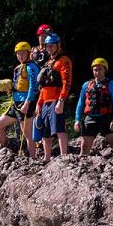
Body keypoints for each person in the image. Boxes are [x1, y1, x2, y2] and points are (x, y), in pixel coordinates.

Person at [74, 58, 113, 168]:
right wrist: (77, 119)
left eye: (100, 69)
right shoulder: (86, 85)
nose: (97, 72)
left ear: (105, 70)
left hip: (106, 118)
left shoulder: (112, 84)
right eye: (95, 70)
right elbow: (80, 103)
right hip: (90, 118)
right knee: (84, 145)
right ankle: (82, 168)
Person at [0, 41, 40, 157]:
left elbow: (33, 87)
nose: (20, 56)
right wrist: (9, 89)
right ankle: (2, 153)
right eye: (18, 54)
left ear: (28, 53)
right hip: (15, 104)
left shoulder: (32, 67)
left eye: (23, 53)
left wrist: (27, 103)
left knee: (27, 134)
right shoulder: (18, 68)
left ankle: (33, 158)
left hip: (26, 104)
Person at [34, 33, 73, 163]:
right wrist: (39, 104)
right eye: (47, 46)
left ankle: (64, 156)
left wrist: (61, 100)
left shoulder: (64, 60)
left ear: (58, 45)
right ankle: (46, 158)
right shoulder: (47, 63)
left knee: (59, 129)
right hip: (45, 101)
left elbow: (66, 82)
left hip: (57, 100)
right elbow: (43, 87)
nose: (49, 48)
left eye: (52, 45)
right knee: (45, 132)